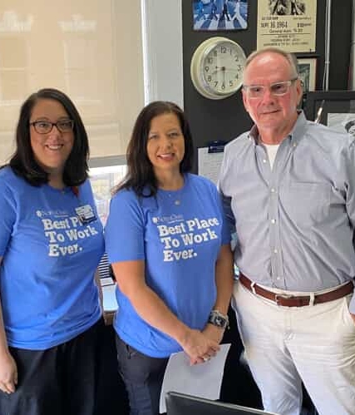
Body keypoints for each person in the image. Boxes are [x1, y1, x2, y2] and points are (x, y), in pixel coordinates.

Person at [218, 48, 355, 415]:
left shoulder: (339, 151)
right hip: (256, 311)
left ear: (298, 90)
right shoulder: (234, 155)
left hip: (326, 315)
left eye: (278, 87)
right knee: (277, 408)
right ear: (245, 99)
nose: (267, 99)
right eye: (256, 90)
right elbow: (224, 230)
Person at [0, 88, 105, 415]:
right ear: (25, 132)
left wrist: (95, 301)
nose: (55, 134)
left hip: (85, 336)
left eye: (64, 124)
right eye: (42, 124)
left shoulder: (79, 185)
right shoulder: (1, 191)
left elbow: (87, 253)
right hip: (27, 349)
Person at [105, 101, 234, 415]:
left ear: (185, 139)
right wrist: (186, 338)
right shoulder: (128, 202)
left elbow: (223, 260)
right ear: (141, 143)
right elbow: (132, 286)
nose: (166, 144)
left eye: (173, 134)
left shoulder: (206, 190)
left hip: (206, 341)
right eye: (154, 137)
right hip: (151, 349)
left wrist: (216, 323)